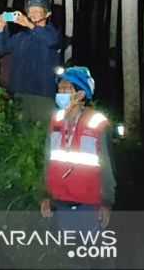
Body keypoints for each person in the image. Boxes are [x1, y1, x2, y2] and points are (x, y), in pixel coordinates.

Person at [40, 67, 115, 233]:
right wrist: (45, 196)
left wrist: (106, 202)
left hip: (89, 207)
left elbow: (107, 166)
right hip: (59, 205)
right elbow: (48, 161)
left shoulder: (96, 123)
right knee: (64, 255)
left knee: (88, 256)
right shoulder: (55, 121)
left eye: (66, 89)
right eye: (60, 88)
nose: (61, 92)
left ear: (81, 95)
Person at [0, 0, 62, 122]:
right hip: (19, 92)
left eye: (37, 11)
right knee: (19, 134)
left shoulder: (53, 33)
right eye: (30, 11)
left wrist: (29, 25)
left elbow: (51, 41)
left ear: (47, 14)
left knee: (40, 135)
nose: (32, 14)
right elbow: (1, 49)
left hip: (43, 94)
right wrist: (0, 28)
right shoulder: (21, 36)